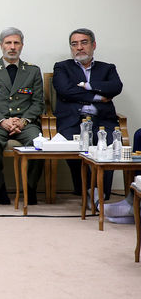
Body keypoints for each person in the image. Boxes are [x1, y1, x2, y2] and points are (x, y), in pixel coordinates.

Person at [53, 28, 125, 220]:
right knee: (68, 144)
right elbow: (65, 90)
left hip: (102, 121)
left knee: (110, 146)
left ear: (93, 45)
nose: (79, 48)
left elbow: (115, 87)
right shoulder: (62, 67)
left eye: (84, 43)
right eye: (74, 44)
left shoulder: (107, 68)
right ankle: (83, 189)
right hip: (73, 121)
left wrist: (87, 86)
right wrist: (98, 96)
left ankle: (101, 195)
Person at [0, 27, 44, 205]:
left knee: (39, 144)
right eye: (8, 43)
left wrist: (22, 121)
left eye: (16, 43)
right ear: (1, 45)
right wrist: (2, 120)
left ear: (22, 45)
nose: (12, 47)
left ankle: (30, 187)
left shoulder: (33, 71)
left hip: (25, 124)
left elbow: (38, 103)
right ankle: (0, 188)